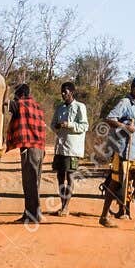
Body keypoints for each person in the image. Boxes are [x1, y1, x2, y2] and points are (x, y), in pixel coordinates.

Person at [100, 74, 135, 232]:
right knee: (115, 182)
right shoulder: (124, 102)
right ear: (132, 88)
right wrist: (125, 127)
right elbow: (110, 119)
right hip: (122, 150)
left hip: (134, 151)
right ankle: (103, 216)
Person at [5, 82, 46, 226]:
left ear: (20, 95)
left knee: (29, 184)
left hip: (29, 148)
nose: (15, 99)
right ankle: (33, 213)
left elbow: (5, 103)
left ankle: (32, 216)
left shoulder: (20, 105)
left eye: (16, 96)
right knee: (35, 183)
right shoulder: (37, 106)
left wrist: (5, 89)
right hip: (40, 149)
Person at [50, 80, 88, 214]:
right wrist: (57, 127)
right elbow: (52, 124)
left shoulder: (80, 107)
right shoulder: (60, 108)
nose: (63, 94)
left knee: (70, 176)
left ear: (71, 92)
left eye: (65, 92)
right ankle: (62, 204)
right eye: (62, 92)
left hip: (72, 148)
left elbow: (84, 126)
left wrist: (69, 125)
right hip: (60, 147)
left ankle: (66, 206)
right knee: (60, 176)